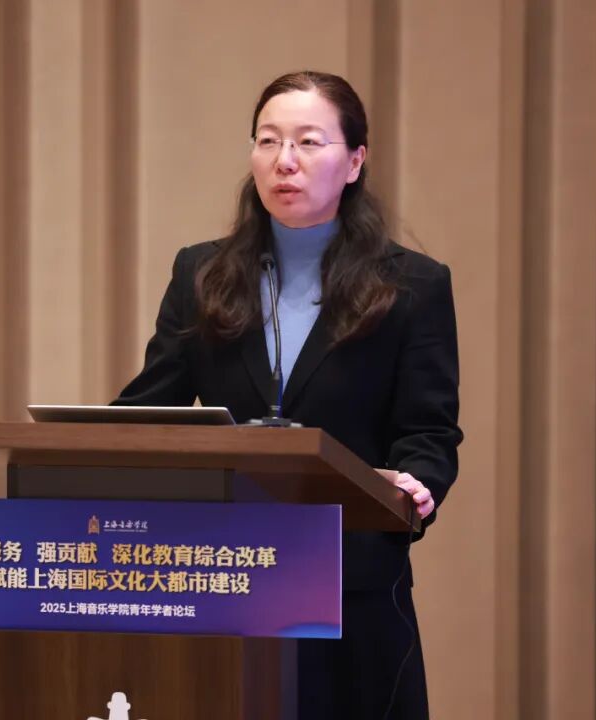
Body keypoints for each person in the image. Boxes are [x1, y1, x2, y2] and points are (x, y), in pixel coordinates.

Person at [113, 70, 461, 718]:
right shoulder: (202, 273)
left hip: (350, 585)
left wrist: (415, 484)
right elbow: (150, 411)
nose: (285, 161)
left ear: (354, 162)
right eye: (268, 140)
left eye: (308, 141)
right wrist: (75, 452)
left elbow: (429, 432)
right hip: (224, 579)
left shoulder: (413, 286)